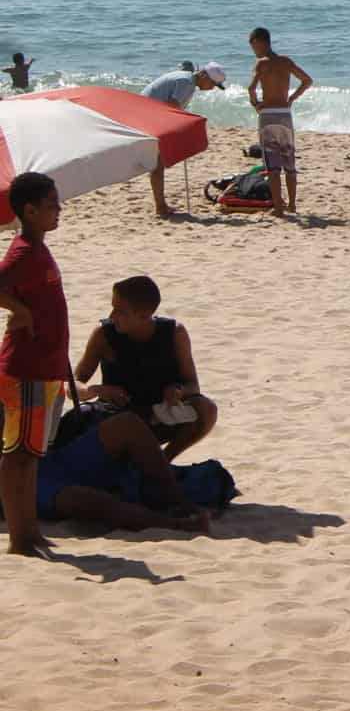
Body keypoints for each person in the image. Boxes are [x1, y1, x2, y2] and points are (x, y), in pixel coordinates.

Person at [74, 275, 217, 458]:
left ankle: (165, 461)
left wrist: (178, 390)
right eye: (112, 308)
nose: (112, 316)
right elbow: (73, 386)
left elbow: (193, 386)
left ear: (144, 315)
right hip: (116, 417)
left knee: (207, 409)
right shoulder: (103, 334)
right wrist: (97, 390)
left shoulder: (174, 333)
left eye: (120, 312)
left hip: (158, 415)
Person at [0, 173, 68, 557]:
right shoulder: (24, 250)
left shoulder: (37, 248)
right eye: (52, 204)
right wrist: (20, 310)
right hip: (25, 366)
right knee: (18, 454)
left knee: (32, 453)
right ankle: (19, 537)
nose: (58, 210)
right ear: (30, 210)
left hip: (45, 365)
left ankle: (30, 531)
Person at [22, 410, 210, 536]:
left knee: (128, 424)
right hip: (19, 476)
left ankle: (179, 502)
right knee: (79, 498)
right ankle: (172, 524)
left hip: (48, 457)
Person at [141, 62, 227, 216]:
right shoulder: (187, 83)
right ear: (203, 75)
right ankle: (160, 207)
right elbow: (171, 108)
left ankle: (161, 205)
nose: (212, 88)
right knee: (158, 163)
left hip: (147, 113)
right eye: (212, 84)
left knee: (158, 163)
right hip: (148, 116)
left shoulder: (186, 79)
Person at [246, 28, 314, 213]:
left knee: (273, 165)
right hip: (285, 115)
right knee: (289, 162)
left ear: (260, 42)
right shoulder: (286, 62)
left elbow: (251, 88)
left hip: (268, 115)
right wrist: (291, 98)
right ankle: (292, 204)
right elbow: (307, 80)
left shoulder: (261, 63)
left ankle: (278, 207)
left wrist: (256, 105)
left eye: (253, 45)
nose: (253, 50)